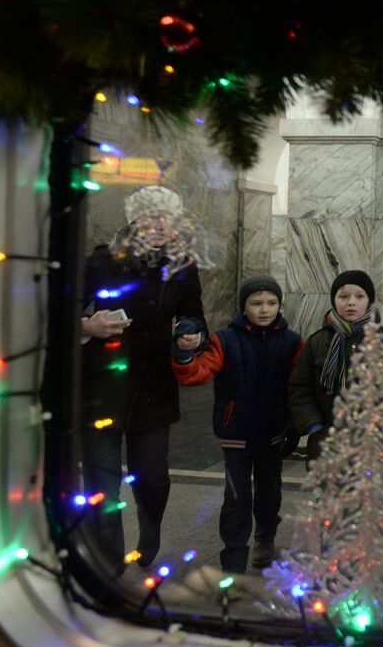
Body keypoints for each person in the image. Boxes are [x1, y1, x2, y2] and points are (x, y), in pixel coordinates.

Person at [80, 186, 207, 571]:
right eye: (150, 217)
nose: (158, 226)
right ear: (134, 221)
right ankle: (108, 559)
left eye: (166, 219)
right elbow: (56, 308)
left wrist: (191, 332)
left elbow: (196, 315)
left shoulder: (183, 267)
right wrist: (89, 324)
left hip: (153, 386)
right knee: (102, 482)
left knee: (152, 479)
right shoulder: (102, 261)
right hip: (101, 384)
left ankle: (150, 528)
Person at [171, 276, 302, 573]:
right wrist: (183, 353)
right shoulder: (224, 339)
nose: (264, 309)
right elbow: (197, 373)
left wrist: (293, 423)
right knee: (236, 496)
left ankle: (265, 538)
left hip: (273, 433)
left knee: (269, 493)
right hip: (237, 434)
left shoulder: (292, 342)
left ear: (280, 305)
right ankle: (233, 556)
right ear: (244, 306)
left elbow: (299, 386)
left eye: (271, 303)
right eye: (256, 303)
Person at [288, 270, 383, 465]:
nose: (351, 302)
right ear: (334, 300)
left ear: (369, 301)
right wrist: (315, 426)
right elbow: (300, 388)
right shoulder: (317, 342)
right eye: (343, 296)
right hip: (326, 441)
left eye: (359, 296)